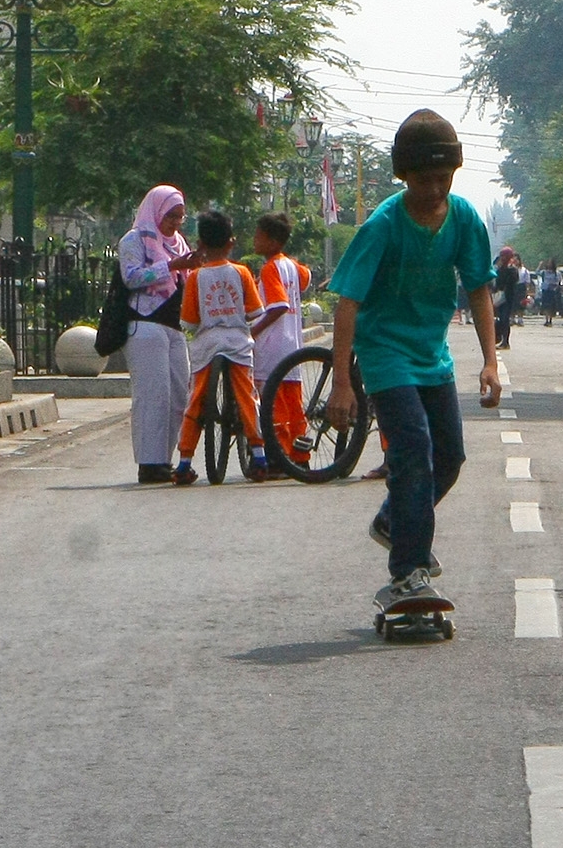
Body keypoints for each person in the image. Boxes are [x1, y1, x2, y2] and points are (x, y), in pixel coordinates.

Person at [326, 109, 500, 616]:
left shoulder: (463, 218)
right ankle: (408, 571)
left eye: (444, 179)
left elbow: (479, 291)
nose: (435, 190)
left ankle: (392, 521)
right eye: (425, 180)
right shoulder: (384, 225)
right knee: (414, 450)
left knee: (450, 458)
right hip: (385, 355)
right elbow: (348, 302)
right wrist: (342, 383)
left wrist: (491, 362)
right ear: (404, 176)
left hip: (432, 356)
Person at [176, 211, 271, 483]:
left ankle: (184, 461)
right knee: (247, 396)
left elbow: (190, 322)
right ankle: (259, 455)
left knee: (196, 399)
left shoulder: (195, 276)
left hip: (206, 343)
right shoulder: (241, 272)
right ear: (231, 242)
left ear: (200, 244)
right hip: (237, 341)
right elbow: (255, 312)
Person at [121, 186, 199, 484]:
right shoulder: (135, 239)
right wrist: (171, 266)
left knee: (179, 393)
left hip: (173, 324)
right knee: (153, 395)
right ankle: (148, 462)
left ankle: (165, 459)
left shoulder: (178, 242)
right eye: (170, 215)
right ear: (156, 212)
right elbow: (132, 277)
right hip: (145, 323)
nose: (175, 222)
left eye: (180, 216)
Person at [251, 212, 312, 463]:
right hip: (292, 347)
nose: (254, 240)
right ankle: (300, 455)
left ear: (272, 241)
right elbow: (306, 279)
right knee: (294, 407)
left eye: (258, 236)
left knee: (273, 407)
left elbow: (278, 305)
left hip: (271, 347)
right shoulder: (292, 266)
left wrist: (252, 331)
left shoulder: (269, 268)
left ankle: (279, 456)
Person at [493, 247, 523, 350]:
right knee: (501, 319)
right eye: (501, 255)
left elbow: (512, 282)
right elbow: (496, 282)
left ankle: (505, 342)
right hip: (499, 298)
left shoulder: (512, 269)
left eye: (504, 255)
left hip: (508, 297)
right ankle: (500, 339)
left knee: (505, 319)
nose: (502, 258)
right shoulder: (500, 268)